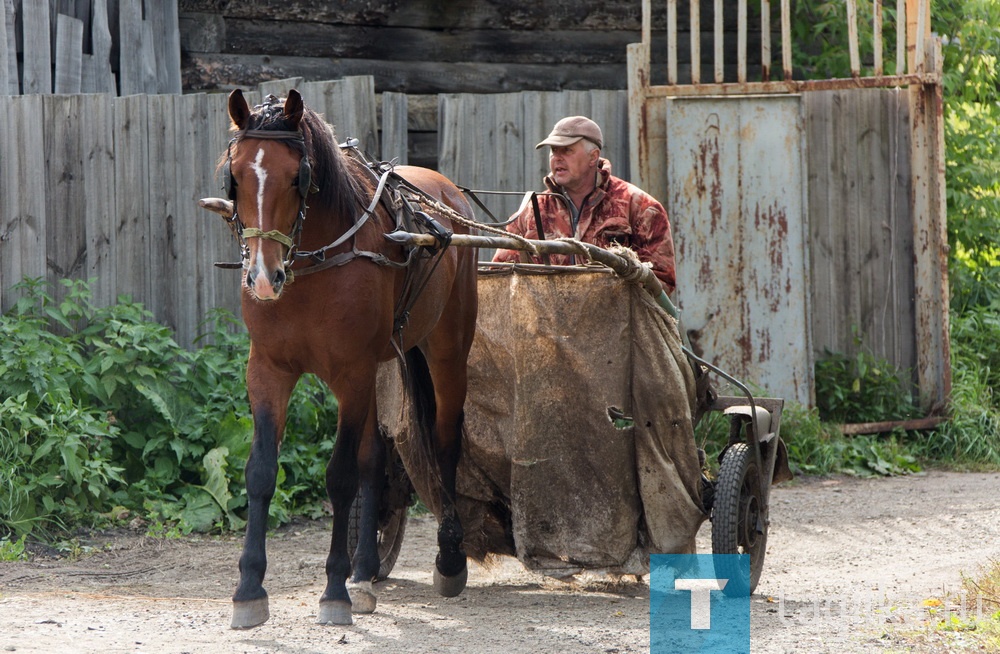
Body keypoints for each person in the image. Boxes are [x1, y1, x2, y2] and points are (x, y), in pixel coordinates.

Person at [492, 115, 677, 294]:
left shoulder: (639, 207)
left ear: (593, 156)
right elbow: (499, 275)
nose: (557, 158)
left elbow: (661, 280)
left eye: (567, 150)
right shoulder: (532, 210)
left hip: (616, 324)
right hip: (547, 324)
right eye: (553, 151)